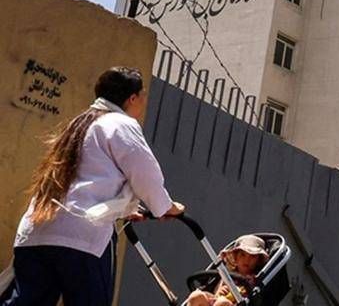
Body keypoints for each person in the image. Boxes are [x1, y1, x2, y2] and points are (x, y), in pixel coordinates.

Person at [2, 67, 184, 306]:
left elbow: (84, 182)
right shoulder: (120, 123)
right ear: (132, 98)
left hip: (36, 232)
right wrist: (165, 207)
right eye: (142, 95)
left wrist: (126, 210)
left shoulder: (78, 124)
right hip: (82, 237)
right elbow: (144, 173)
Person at [183, 236, 269, 306]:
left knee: (222, 302)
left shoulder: (254, 279)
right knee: (196, 296)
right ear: (235, 257)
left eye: (253, 256)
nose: (247, 260)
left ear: (258, 260)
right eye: (242, 255)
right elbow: (216, 294)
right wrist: (219, 291)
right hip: (216, 300)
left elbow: (249, 298)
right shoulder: (227, 273)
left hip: (233, 303)